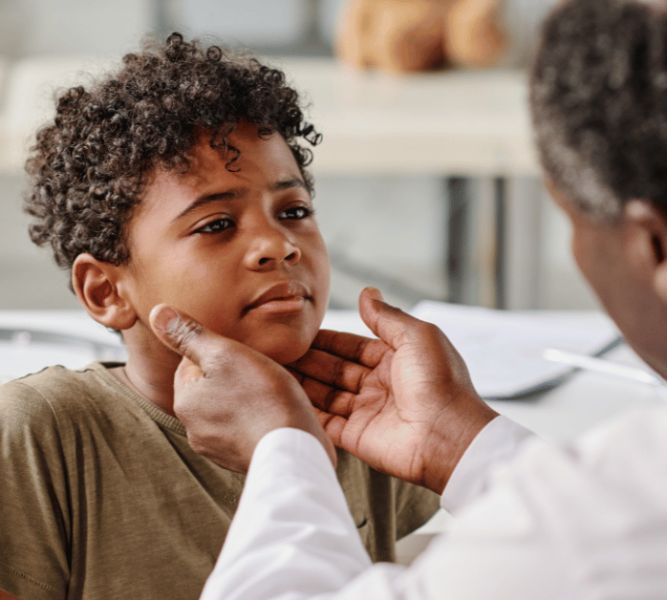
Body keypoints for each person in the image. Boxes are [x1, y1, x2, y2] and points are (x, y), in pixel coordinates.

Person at [148, 0, 667, 598]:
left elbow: (624, 540)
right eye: (216, 223)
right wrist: (470, 449)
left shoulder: (613, 525)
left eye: (574, 225)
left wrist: (284, 449)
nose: (277, 247)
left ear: (657, 250)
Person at [0, 33, 439, 600]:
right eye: (216, 225)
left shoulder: (359, 418)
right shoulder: (44, 434)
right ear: (106, 290)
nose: (279, 246)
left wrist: (451, 435)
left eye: (295, 210)